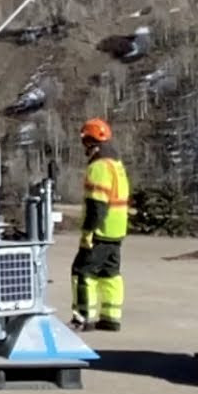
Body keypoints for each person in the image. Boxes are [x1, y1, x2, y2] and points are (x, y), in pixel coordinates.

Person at [71, 117, 130, 331]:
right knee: (110, 274)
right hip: (117, 231)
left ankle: (82, 318)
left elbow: (98, 205)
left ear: (89, 141)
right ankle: (111, 317)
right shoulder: (117, 165)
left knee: (82, 272)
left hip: (101, 230)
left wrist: (88, 231)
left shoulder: (99, 167)